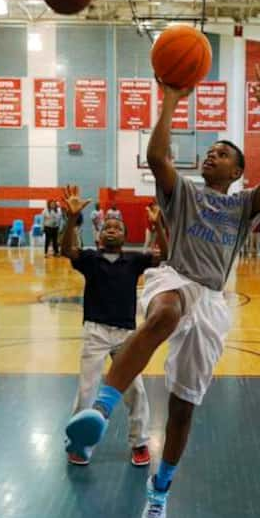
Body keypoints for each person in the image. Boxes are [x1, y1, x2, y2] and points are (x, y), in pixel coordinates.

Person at [65, 57, 260, 518]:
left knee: (183, 409)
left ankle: (161, 488)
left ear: (237, 172)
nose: (213, 154)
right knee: (166, 312)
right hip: (175, 278)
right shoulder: (184, 193)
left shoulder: (245, 205)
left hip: (212, 300)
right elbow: (157, 158)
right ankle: (101, 412)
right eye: (210, 150)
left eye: (224, 153)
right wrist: (170, 98)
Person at [60, 185, 168, 467]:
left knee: (136, 390)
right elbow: (65, 249)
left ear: (126, 237)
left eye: (117, 227)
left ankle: (140, 441)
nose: (111, 229)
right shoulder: (89, 259)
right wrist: (72, 219)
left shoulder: (134, 260)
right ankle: (80, 443)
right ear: (98, 235)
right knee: (87, 389)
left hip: (127, 336)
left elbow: (165, 255)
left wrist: (158, 227)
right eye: (106, 227)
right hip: (95, 331)